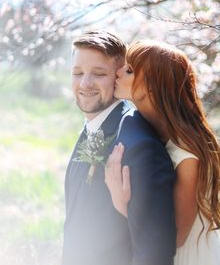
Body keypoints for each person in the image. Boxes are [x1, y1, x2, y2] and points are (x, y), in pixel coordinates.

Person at [105, 40, 220, 265]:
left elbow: (177, 237)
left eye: (129, 70)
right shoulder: (150, 128)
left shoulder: (187, 154)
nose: (119, 72)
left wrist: (121, 202)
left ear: (152, 86)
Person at [62, 31, 176, 265]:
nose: (85, 83)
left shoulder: (140, 147)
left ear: (118, 77)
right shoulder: (94, 124)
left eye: (99, 74)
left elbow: (154, 253)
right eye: (77, 73)